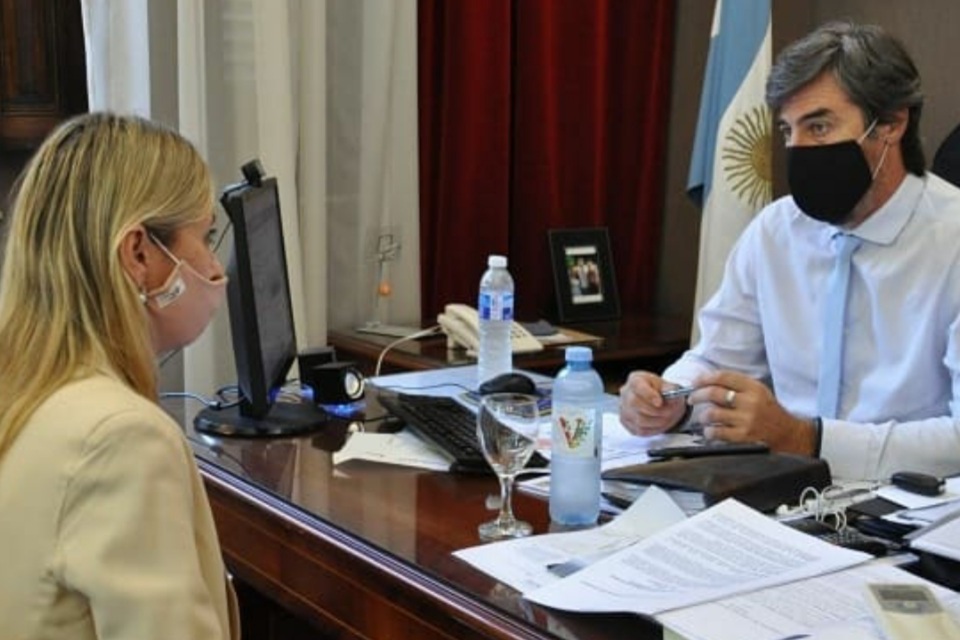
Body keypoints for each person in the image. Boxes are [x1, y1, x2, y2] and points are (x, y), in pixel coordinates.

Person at [620, 21, 960, 482]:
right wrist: (668, 400)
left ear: (892, 124)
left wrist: (809, 440)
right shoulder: (776, 230)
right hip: (775, 490)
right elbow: (718, 360)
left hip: (908, 512)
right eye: (788, 130)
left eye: (819, 126)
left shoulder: (952, 239)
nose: (799, 149)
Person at [0, 113, 239, 639]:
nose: (216, 268)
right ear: (138, 253)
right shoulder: (121, 437)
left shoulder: (24, 390)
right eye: (206, 236)